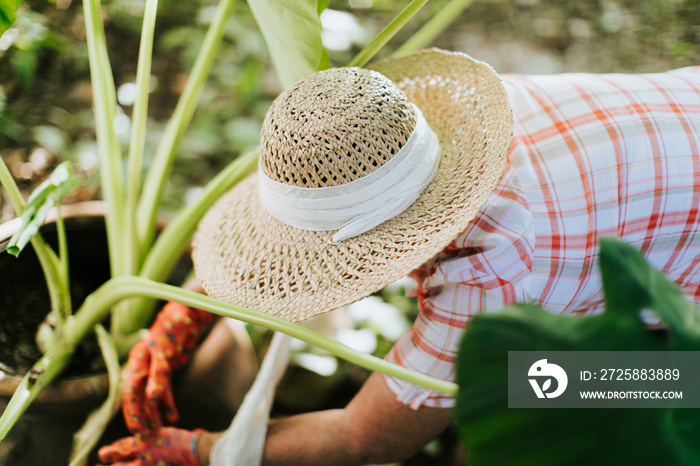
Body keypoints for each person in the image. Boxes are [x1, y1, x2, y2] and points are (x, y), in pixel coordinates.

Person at [98, 49, 700, 465]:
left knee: (540, 392)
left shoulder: (486, 275)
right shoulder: (448, 116)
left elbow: (367, 439)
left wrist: (199, 451)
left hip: (682, 337)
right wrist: (186, 314)